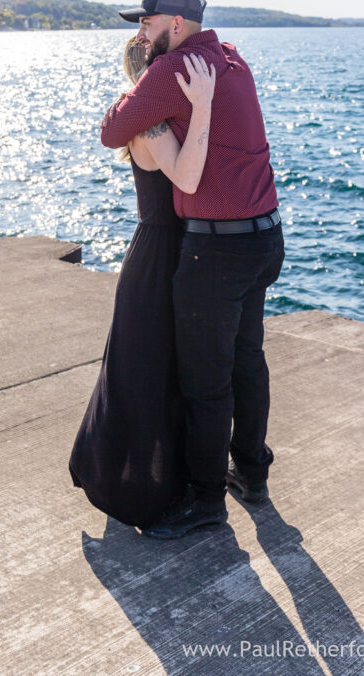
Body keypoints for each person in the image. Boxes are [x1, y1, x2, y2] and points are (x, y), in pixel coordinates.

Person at [100, 0, 284, 539]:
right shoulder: (232, 60)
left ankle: (206, 501)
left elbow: (112, 132)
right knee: (247, 359)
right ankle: (252, 473)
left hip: (217, 246)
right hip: (266, 237)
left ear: (174, 24)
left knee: (206, 380)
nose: (142, 33)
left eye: (147, 23)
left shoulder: (173, 69)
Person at [69, 37, 216, 529]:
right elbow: (186, 178)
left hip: (159, 250)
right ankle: (137, 491)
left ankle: (159, 477)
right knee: (148, 373)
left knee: (151, 368)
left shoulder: (144, 118)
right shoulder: (151, 125)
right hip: (159, 254)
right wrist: (202, 106)